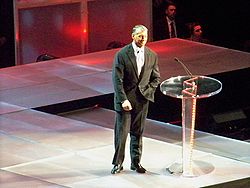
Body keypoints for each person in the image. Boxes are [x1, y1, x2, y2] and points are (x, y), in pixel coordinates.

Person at [111, 25, 161, 174]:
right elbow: (117, 79)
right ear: (133, 36)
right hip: (125, 100)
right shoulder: (122, 54)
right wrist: (123, 100)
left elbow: (156, 77)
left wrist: (148, 92)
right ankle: (118, 163)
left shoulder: (152, 55)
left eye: (145, 36)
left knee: (138, 133)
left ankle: (136, 162)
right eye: (140, 36)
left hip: (142, 100)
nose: (143, 38)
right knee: (122, 134)